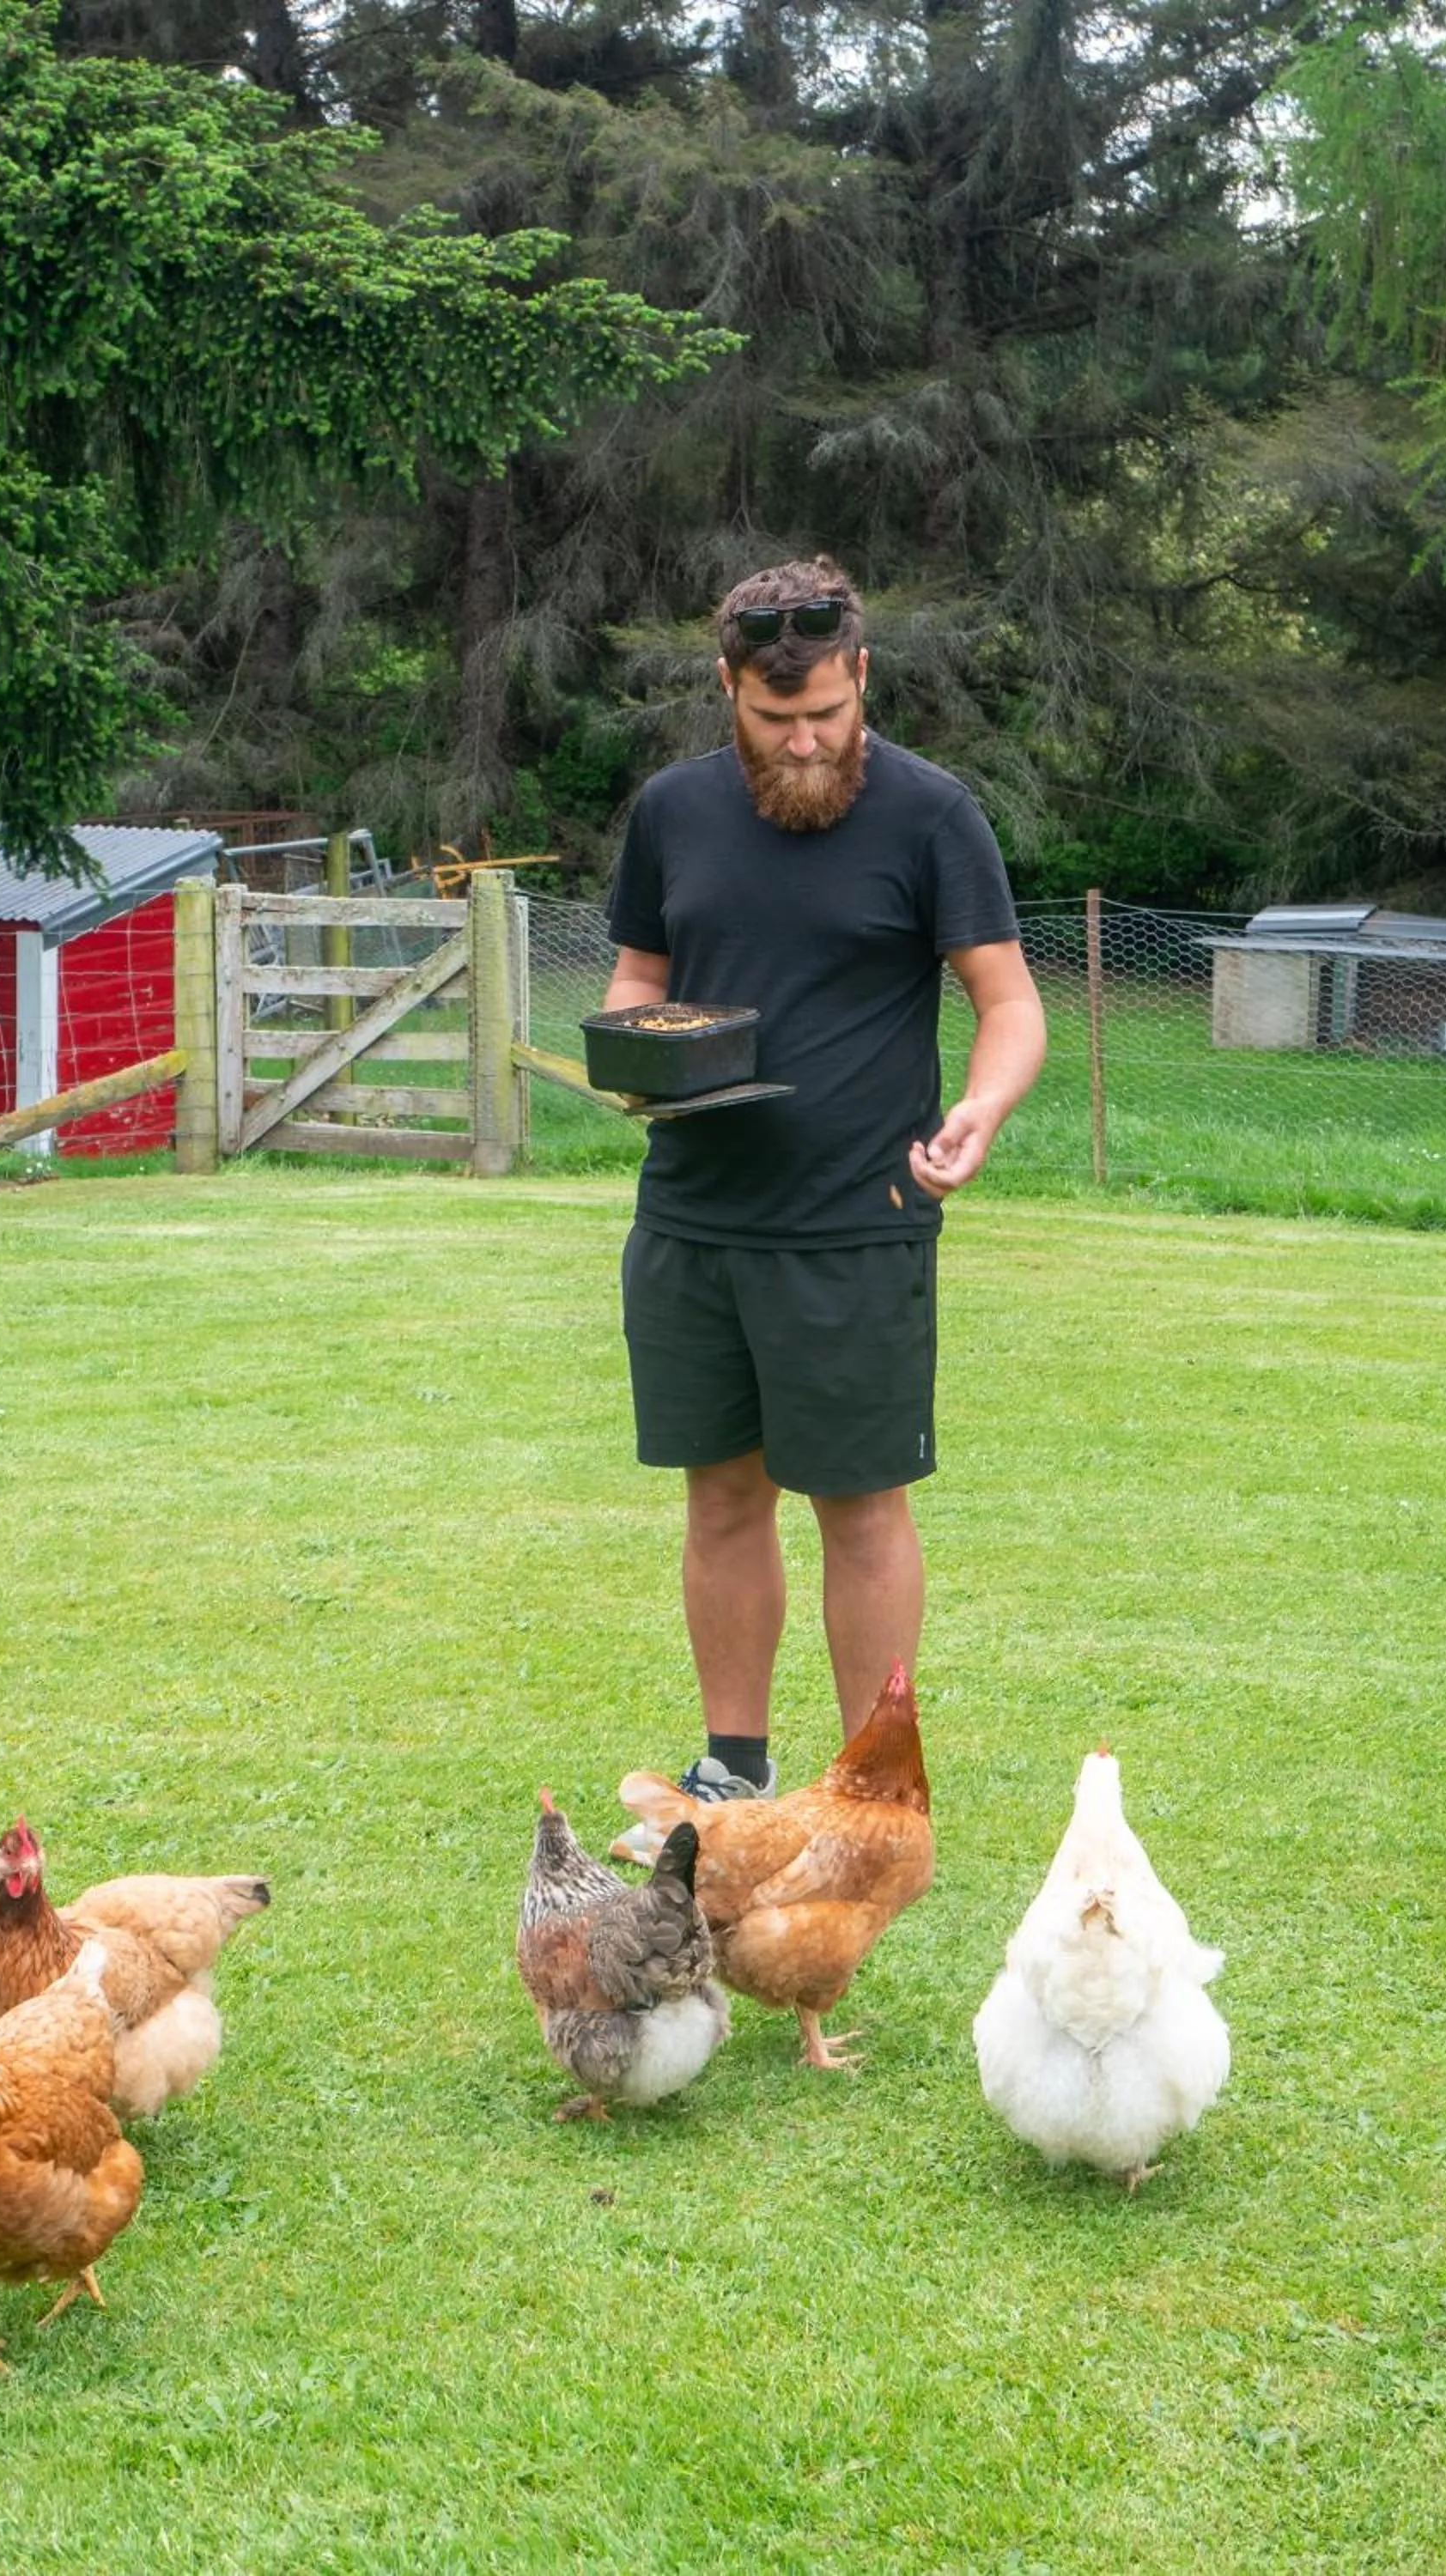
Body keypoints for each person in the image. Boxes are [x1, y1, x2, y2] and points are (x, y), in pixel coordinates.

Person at [603, 556, 1046, 1808]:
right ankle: (733, 1769)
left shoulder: (929, 814)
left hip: (861, 1217)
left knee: (860, 1508)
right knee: (722, 1494)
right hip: (693, 1213)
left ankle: (871, 1784)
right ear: (725, 689)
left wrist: (981, 1107)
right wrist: (633, 1047)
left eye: (826, 717)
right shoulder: (672, 813)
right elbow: (637, 979)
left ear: (861, 675)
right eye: (772, 719)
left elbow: (1008, 1003)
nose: (803, 745)